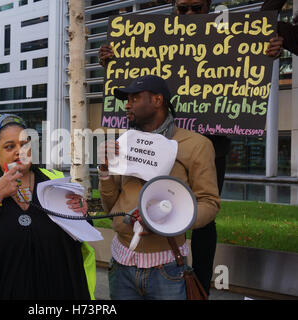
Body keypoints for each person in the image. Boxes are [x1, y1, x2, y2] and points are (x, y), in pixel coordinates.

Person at [97, 0, 282, 296]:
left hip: (203, 143)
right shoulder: (155, 39)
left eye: (196, 8)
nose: (190, 16)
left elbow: (245, 72)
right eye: (183, 9)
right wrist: (113, 63)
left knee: (202, 220)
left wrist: (265, 55)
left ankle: (196, 287)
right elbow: (136, 85)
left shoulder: (229, 37)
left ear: (210, 7)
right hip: (148, 145)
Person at [0, 114, 95, 300]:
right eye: (9, 146)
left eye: (25, 144)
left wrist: (82, 212)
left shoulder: (56, 181)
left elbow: (82, 233)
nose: (19, 151)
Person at [98, 75, 220, 300]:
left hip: (167, 268)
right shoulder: (124, 141)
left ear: (157, 100)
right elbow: (111, 207)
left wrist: (171, 220)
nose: (127, 104)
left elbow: (209, 203)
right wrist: (105, 173)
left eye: (134, 98)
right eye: (127, 99)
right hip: (121, 264)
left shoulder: (196, 145)